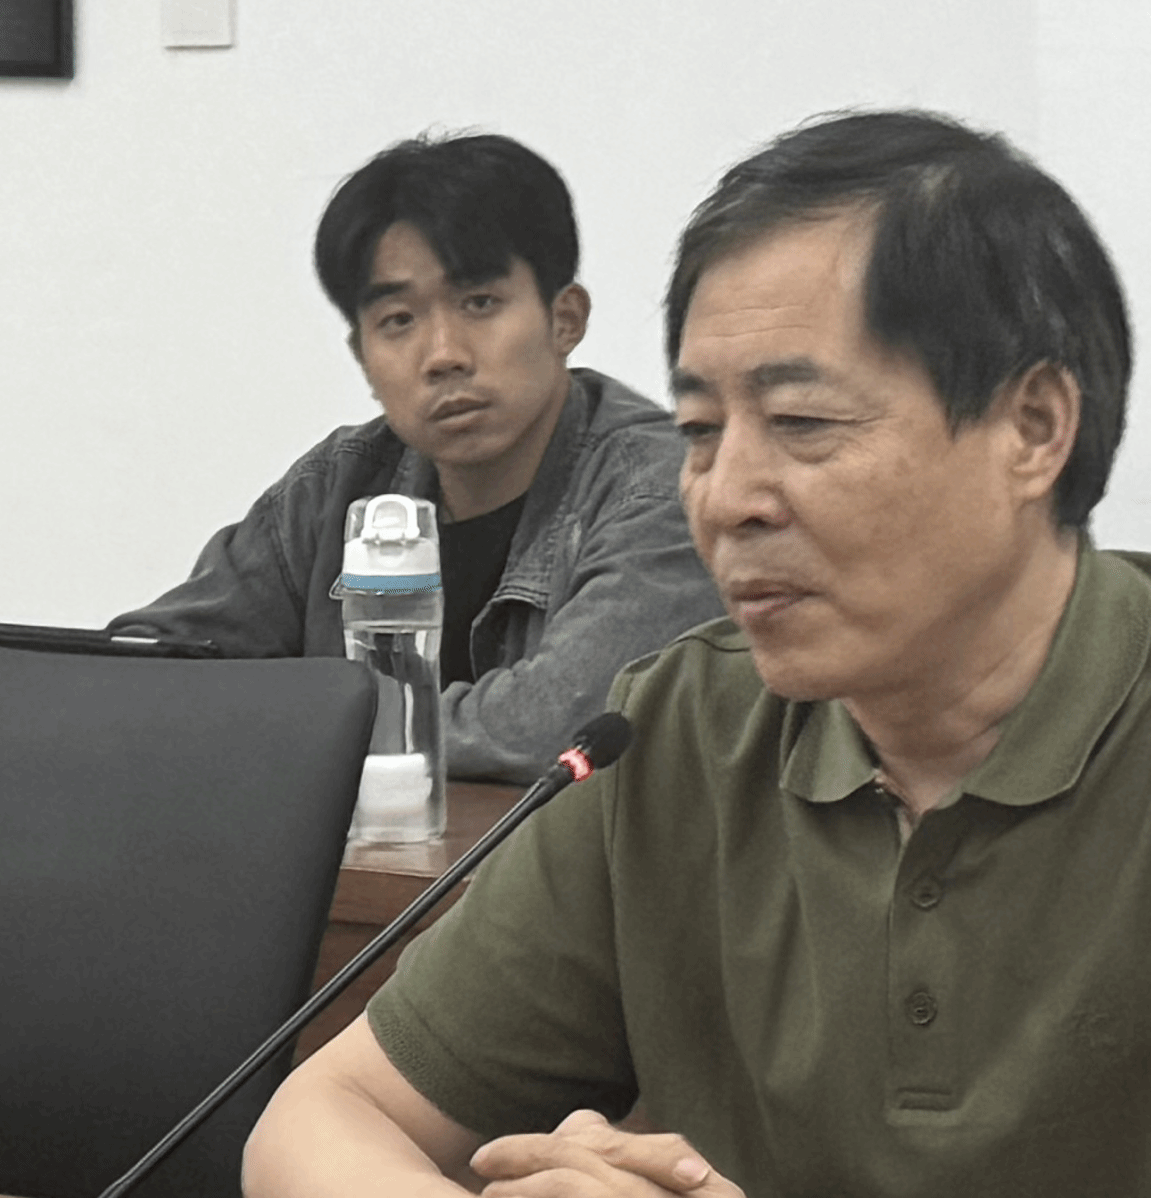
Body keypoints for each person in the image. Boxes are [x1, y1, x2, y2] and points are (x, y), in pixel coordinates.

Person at [240, 109, 1151, 1198]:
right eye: (699, 430)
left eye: (801, 422)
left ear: (1032, 427)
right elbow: (318, 1127)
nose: (728, 496)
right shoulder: (673, 728)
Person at [110, 132, 722, 783]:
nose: (443, 355)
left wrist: (292, 715)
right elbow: (145, 675)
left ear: (564, 319)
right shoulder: (338, 483)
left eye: (480, 303)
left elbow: (547, 725)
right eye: (399, 320)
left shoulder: (660, 489)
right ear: (362, 357)